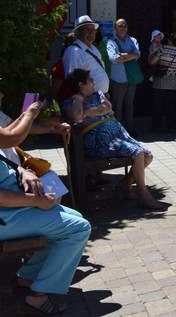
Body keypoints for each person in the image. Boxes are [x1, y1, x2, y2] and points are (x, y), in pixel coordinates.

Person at [0, 97, 91, 315]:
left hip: (17, 195)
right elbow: (13, 136)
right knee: (79, 228)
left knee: (73, 217)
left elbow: (9, 144)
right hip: (7, 214)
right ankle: (38, 294)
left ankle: (28, 276)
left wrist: (23, 171)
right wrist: (36, 201)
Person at [61, 68, 161, 209]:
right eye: (89, 80)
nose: (93, 82)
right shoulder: (70, 102)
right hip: (99, 141)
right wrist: (79, 99)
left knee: (148, 156)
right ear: (80, 85)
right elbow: (77, 116)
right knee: (138, 153)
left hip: (118, 135)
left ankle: (125, 183)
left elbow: (108, 108)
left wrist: (87, 112)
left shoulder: (98, 94)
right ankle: (143, 194)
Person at [106, 18, 141, 134]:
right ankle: (118, 131)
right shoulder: (111, 42)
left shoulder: (133, 40)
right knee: (118, 105)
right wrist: (129, 55)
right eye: (120, 26)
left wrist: (123, 56)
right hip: (118, 79)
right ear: (115, 28)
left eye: (125, 26)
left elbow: (137, 55)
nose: (123, 28)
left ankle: (130, 129)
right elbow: (113, 58)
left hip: (131, 78)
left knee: (129, 104)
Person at [62, 15, 110, 96]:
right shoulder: (73, 51)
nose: (91, 32)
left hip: (100, 97)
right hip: (88, 99)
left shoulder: (93, 48)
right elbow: (73, 82)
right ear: (77, 33)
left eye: (93, 29)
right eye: (87, 29)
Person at [149, 31, 176, 133]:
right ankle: (171, 127)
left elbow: (152, 62)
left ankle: (156, 126)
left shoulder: (163, 48)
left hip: (161, 79)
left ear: (170, 40)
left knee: (158, 105)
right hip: (174, 81)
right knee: (171, 106)